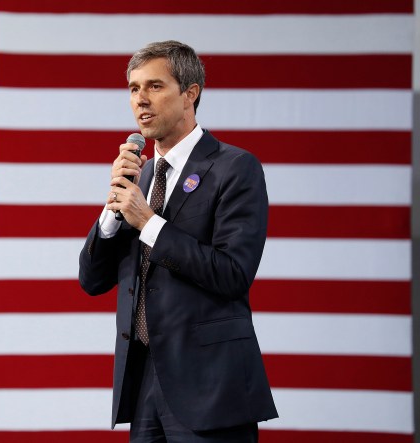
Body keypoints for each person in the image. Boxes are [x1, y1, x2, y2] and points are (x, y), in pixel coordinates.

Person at [78, 40, 278, 442]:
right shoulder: (143, 176)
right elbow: (92, 280)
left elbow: (233, 274)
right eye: (134, 89)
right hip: (145, 380)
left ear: (190, 94)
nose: (140, 100)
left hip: (210, 384)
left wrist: (148, 221)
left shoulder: (234, 167)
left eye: (155, 86)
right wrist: (113, 212)